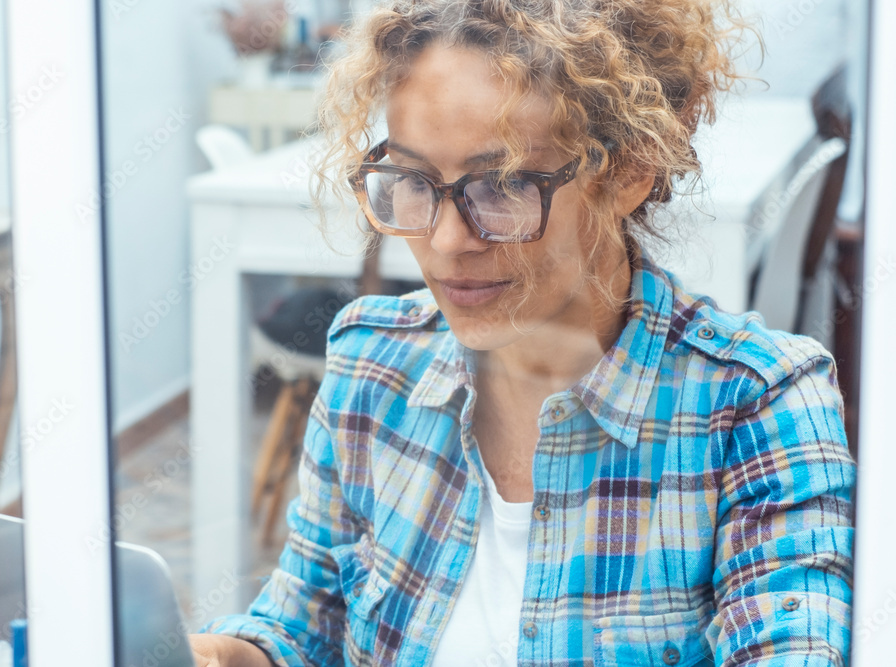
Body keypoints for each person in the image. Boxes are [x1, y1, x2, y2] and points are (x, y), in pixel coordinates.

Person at [189, 0, 856, 664]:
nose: (446, 242)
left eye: (503, 186)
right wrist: (224, 654)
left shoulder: (757, 405)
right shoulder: (372, 363)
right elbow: (306, 627)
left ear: (629, 171)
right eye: (413, 179)